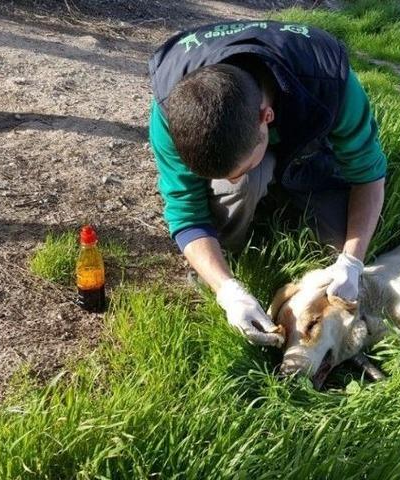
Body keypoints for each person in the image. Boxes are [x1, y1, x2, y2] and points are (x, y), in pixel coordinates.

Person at [148, 21, 387, 347]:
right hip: (256, 133)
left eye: (239, 168)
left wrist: (352, 262)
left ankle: (279, 191)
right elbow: (184, 209)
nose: (230, 181)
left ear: (267, 118)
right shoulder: (171, 109)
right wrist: (226, 290)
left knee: (338, 238)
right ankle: (229, 248)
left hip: (307, 137)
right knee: (238, 189)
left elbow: (369, 175)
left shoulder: (330, 81)